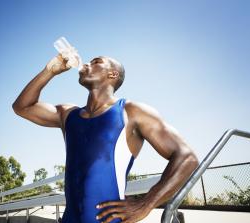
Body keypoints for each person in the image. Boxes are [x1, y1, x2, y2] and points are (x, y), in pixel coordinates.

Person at [12, 54, 199, 223]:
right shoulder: (68, 114)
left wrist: (145, 204)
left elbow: (187, 157)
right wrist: (49, 72)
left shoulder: (131, 112)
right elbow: (22, 107)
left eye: (96, 62)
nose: (86, 64)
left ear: (112, 75)